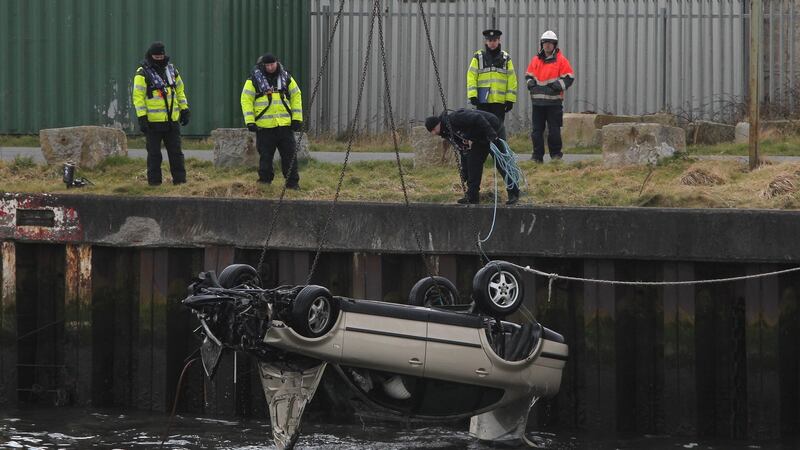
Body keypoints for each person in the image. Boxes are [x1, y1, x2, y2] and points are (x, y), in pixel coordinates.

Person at [425, 109, 520, 205]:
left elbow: (478, 118)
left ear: (438, 124)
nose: (434, 133)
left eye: (433, 130)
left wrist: (492, 135)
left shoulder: (455, 118)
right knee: (473, 162)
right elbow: (463, 150)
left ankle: (513, 193)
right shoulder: (446, 133)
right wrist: (465, 171)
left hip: (492, 127)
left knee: (501, 162)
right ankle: (472, 196)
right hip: (479, 136)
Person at [241, 53, 303, 188]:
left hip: (285, 125)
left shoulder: (286, 77)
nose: (270, 67)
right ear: (263, 65)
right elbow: (246, 100)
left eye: (272, 64)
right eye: (267, 65)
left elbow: (296, 95)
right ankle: (264, 182)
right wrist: (250, 121)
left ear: (277, 63)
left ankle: (292, 183)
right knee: (266, 158)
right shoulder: (253, 80)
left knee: (290, 156)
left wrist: (297, 118)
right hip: (264, 127)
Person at [132, 42, 190, 185]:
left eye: (161, 55)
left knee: (176, 153)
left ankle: (180, 182)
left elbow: (180, 91)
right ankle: (154, 183)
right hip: (152, 123)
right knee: (154, 155)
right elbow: (138, 97)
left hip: (172, 120)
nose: (159, 58)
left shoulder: (171, 70)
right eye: (156, 56)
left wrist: (185, 109)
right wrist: (142, 118)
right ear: (150, 56)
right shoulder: (142, 73)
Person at [525, 30, 574, 163]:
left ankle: (556, 156)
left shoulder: (561, 61)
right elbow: (528, 75)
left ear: (554, 45)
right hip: (537, 103)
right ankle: (537, 157)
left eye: (550, 43)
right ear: (542, 44)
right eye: (545, 43)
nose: (547, 45)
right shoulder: (535, 60)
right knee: (536, 132)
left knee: (554, 131)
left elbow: (569, 77)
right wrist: (531, 84)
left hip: (554, 103)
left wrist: (558, 86)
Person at [466, 29, 518, 129]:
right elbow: (471, 76)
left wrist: (510, 99)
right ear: (486, 42)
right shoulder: (478, 57)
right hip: (482, 101)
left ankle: (496, 145)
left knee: (497, 129)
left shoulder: (506, 58)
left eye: (494, 40)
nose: (492, 43)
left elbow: (512, 79)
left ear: (499, 41)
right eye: (490, 41)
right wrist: (472, 95)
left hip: (499, 102)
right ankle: (483, 145)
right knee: (481, 129)